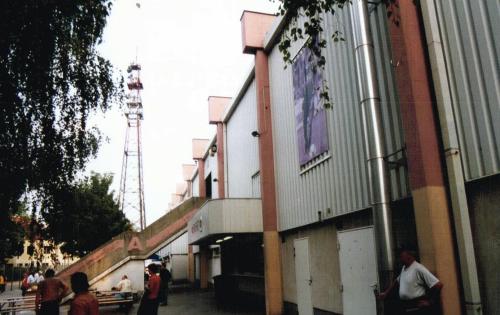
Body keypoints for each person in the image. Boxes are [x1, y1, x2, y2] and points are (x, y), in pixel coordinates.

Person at [378, 248, 444, 315]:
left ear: (409, 256)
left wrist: (430, 302)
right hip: (406, 306)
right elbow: (397, 281)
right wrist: (386, 293)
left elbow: (438, 284)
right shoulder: (404, 268)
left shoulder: (418, 268)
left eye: (401, 257)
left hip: (416, 306)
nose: (400, 259)